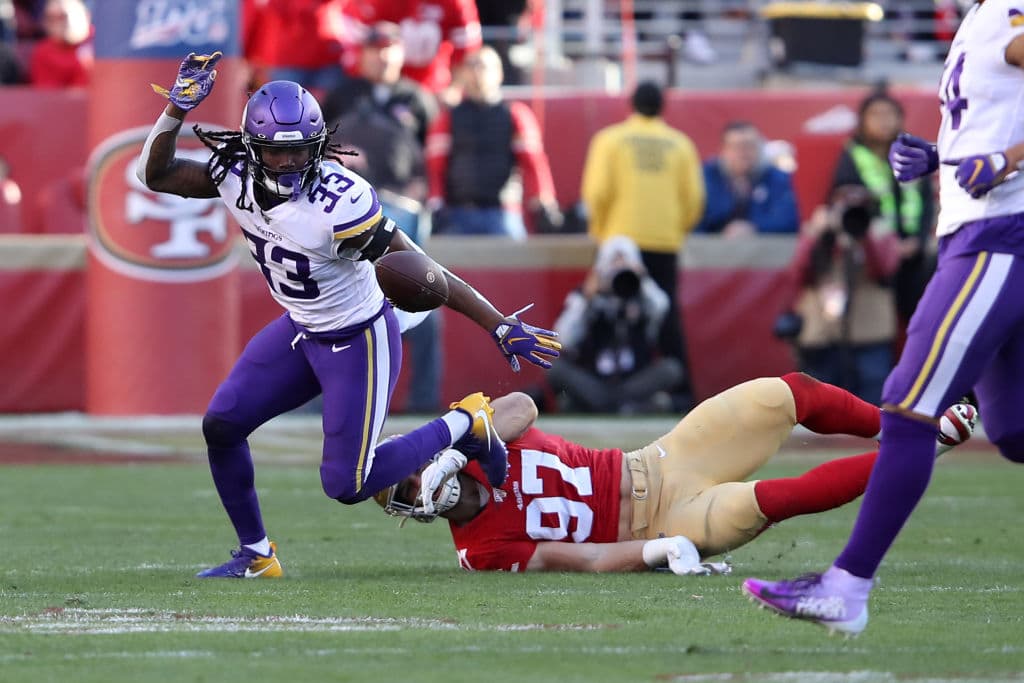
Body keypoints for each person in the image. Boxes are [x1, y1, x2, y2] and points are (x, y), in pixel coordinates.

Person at [136, 52, 560, 578]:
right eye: (276, 153)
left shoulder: (339, 201)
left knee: (348, 485)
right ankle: (256, 554)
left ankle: (467, 421)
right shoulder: (234, 172)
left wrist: (496, 321)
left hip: (359, 337)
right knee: (221, 425)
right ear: (252, 147)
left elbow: (421, 269)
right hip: (302, 327)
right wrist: (176, 109)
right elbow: (157, 174)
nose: (290, 164)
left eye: (299, 152)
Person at [744, 1, 1024, 636]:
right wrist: (944, 154)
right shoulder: (985, 17)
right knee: (1013, 431)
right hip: (981, 230)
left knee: (907, 406)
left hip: (998, 236)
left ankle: (846, 587)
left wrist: (1009, 157)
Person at [374, 373, 975, 573]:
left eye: (410, 467)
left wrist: (458, 447)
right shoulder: (479, 549)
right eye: (401, 490)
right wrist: (661, 553)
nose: (417, 481)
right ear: (404, 513)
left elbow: (522, 406)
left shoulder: (474, 437)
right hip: (659, 523)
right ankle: (920, 452)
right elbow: (582, 559)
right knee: (771, 501)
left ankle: (901, 429)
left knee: (785, 393)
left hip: (660, 460)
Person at [323, 21, 442, 412]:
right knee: (344, 308)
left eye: (391, 47)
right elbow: (318, 149)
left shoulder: (418, 98)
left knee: (423, 307)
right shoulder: (342, 95)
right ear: (364, 53)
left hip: (404, 215)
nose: (384, 55)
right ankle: (331, 401)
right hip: (351, 215)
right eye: (377, 48)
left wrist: (423, 189)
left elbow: (434, 152)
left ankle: (423, 403)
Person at [581, 80, 704, 407]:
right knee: (666, 316)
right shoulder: (681, 144)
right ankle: (681, 394)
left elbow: (597, 193)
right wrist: (676, 230)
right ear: (663, 106)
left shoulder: (609, 140)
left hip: (619, 240)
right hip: (664, 241)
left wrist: (602, 233)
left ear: (630, 104)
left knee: (609, 313)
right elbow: (694, 199)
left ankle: (602, 389)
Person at [776, 186, 902, 406]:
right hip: (823, 335)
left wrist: (865, 236)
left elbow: (885, 270)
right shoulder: (820, 232)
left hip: (869, 334)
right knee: (820, 402)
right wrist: (817, 234)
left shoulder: (880, 232)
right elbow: (798, 275)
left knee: (872, 404)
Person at [831, 90, 935, 353]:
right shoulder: (853, 155)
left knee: (925, 327)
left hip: (913, 257)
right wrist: (888, 247)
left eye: (890, 115)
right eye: (876, 115)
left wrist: (918, 241)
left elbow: (925, 203)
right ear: (862, 120)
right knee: (878, 334)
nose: (884, 121)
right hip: (872, 262)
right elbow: (848, 202)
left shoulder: (911, 152)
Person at [425, 45, 561, 239]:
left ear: (499, 73)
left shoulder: (516, 115)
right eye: (471, 66)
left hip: (503, 212)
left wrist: (543, 200)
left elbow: (533, 163)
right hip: (458, 214)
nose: (476, 72)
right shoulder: (447, 118)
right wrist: (435, 203)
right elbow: (435, 166)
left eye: (483, 66)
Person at [546, 235, 682, 413]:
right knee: (554, 369)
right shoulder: (585, 297)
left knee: (671, 368)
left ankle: (599, 406)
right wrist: (587, 299)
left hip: (633, 380)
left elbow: (662, 306)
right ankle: (629, 407)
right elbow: (562, 338)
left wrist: (641, 279)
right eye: (613, 263)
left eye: (624, 262)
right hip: (596, 380)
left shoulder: (643, 296)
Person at [344, 0, 482, 94]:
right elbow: (359, 47)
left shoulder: (455, 3)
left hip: (434, 83)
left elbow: (469, 49)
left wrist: (454, 88)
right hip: (385, 83)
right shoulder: (379, 3)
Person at [694, 121, 800, 237]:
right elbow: (691, 220)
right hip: (708, 250)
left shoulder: (779, 179)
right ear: (723, 150)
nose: (743, 153)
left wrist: (755, 228)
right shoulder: (704, 178)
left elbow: (790, 219)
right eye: (737, 147)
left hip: (766, 250)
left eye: (750, 146)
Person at [28, 0, 91, 88]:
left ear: (85, 15)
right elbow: (47, 94)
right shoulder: (43, 52)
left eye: (63, 16)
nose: (58, 24)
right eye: (51, 19)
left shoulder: (101, 42)